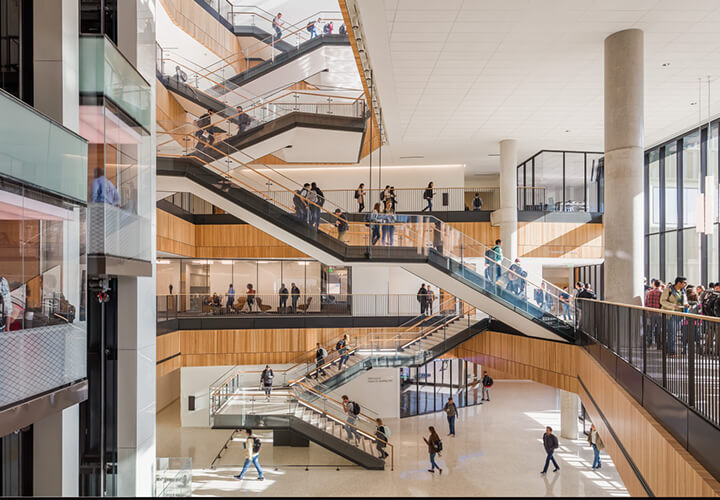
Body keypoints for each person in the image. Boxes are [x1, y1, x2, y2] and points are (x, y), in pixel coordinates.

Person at [660, 276, 687, 356]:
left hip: (680, 314)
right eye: (684, 282)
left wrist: (686, 304)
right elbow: (662, 301)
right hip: (671, 314)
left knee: (674, 333)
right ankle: (671, 351)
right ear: (679, 283)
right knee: (672, 333)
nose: (685, 284)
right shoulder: (668, 290)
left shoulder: (682, 291)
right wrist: (673, 306)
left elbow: (683, 301)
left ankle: (669, 350)